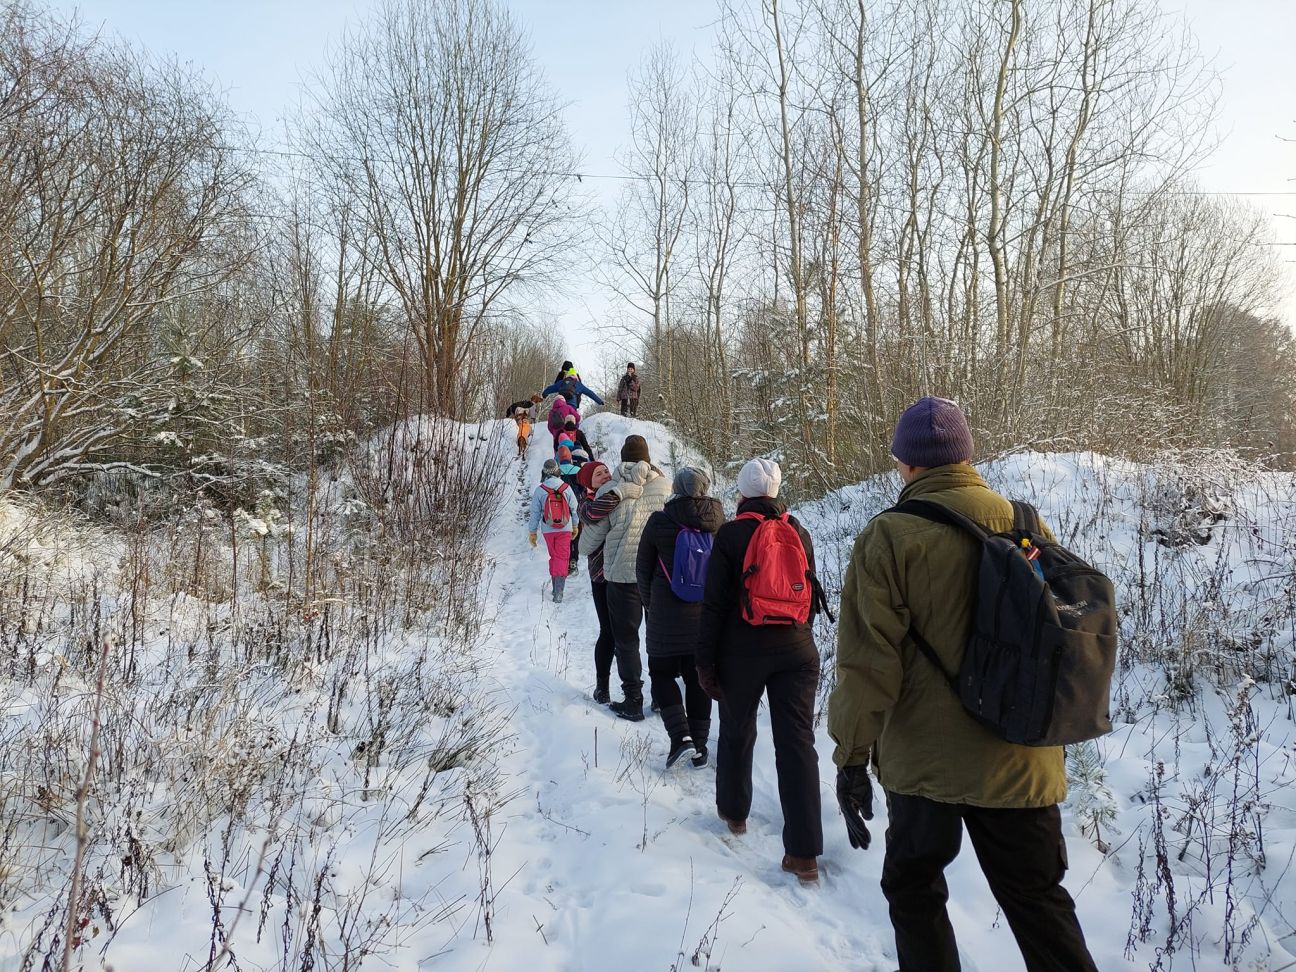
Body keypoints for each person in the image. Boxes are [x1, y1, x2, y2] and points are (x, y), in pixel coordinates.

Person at [828, 396, 1098, 972]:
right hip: (1023, 754)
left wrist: (851, 758)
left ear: (907, 463)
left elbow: (866, 666)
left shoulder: (889, 537)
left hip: (927, 767)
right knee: (1038, 901)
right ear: (967, 455)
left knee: (915, 889)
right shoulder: (1026, 523)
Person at [697, 457, 824, 883]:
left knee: (736, 730)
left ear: (743, 493)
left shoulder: (731, 534)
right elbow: (807, 590)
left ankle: (735, 814)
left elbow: (713, 604)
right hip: (797, 649)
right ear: (775, 492)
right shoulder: (798, 529)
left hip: (742, 650)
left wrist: (705, 662)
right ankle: (805, 855)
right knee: (798, 744)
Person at [636, 467, 724, 768]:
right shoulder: (719, 522)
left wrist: (651, 606)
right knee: (696, 676)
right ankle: (699, 747)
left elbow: (643, 569)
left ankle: (680, 737)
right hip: (705, 617)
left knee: (661, 674)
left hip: (665, 612)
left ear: (675, 488)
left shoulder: (660, 521)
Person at [578, 434, 669, 720]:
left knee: (626, 640)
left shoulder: (613, 490)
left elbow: (586, 545)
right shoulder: (666, 487)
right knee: (658, 638)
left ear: (622, 458)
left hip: (622, 576)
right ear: (648, 458)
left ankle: (633, 701)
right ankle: (661, 698)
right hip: (657, 576)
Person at [576, 460, 616, 702]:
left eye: (606, 471)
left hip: (623, 572)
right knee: (608, 631)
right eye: (598, 474)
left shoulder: (617, 490)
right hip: (601, 574)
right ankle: (603, 686)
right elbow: (593, 513)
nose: (605, 475)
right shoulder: (586, 503)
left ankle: (633, 686)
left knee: (626, 632)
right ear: (588, 482)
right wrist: (622, 492)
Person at [528, 458, 578, 604]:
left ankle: (556, 588)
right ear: (557, 471)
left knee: (554, 556)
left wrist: (532, 532)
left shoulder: (540, 490)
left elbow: (535, 513)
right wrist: (575, 526)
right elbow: (574, 509)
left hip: (548, 529)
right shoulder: (566, 488)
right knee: (562, 557)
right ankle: (558, 591)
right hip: (565, 528)